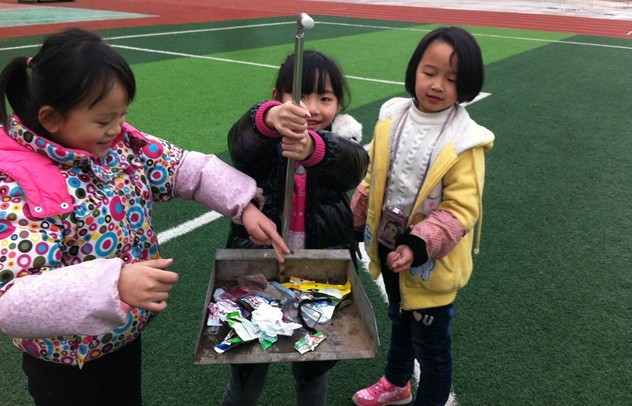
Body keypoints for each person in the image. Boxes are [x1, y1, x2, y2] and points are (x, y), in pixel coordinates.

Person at [0, 27, 290, 406]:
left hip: (120, 331)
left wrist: (243, 204)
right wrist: (114, 284)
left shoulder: (122, 144)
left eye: (122, 114)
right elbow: (11, 298)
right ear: (51, 119)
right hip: (64, 358)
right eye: (104, 119)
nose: (117, 127)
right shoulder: (21, 185)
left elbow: (183, 168)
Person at [350, 27, 494, 406]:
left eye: (452, 79)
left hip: (430, 261)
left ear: (467, 85)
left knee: (432, 348)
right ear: (415, 69)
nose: (438, 85)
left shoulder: (465, 141)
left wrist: (417, 244)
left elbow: (461, 209)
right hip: (388, 248)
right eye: (430, 72)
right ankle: (397, 383)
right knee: (399, 318)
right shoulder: (392, 117)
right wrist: (355, 219)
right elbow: (372, 176)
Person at [222, 50, 369, 406]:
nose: (312, 109)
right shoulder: (265, 137)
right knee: (249, 358)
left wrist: (313, 148)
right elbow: (239, 145)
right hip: (261, 265)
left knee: (313, 363)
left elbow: (354, 167)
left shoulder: (342, 140)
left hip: (320, 271)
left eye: (325, 99)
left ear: (339, 104)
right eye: (299, 96)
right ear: (278, 97)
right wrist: (268, 118)